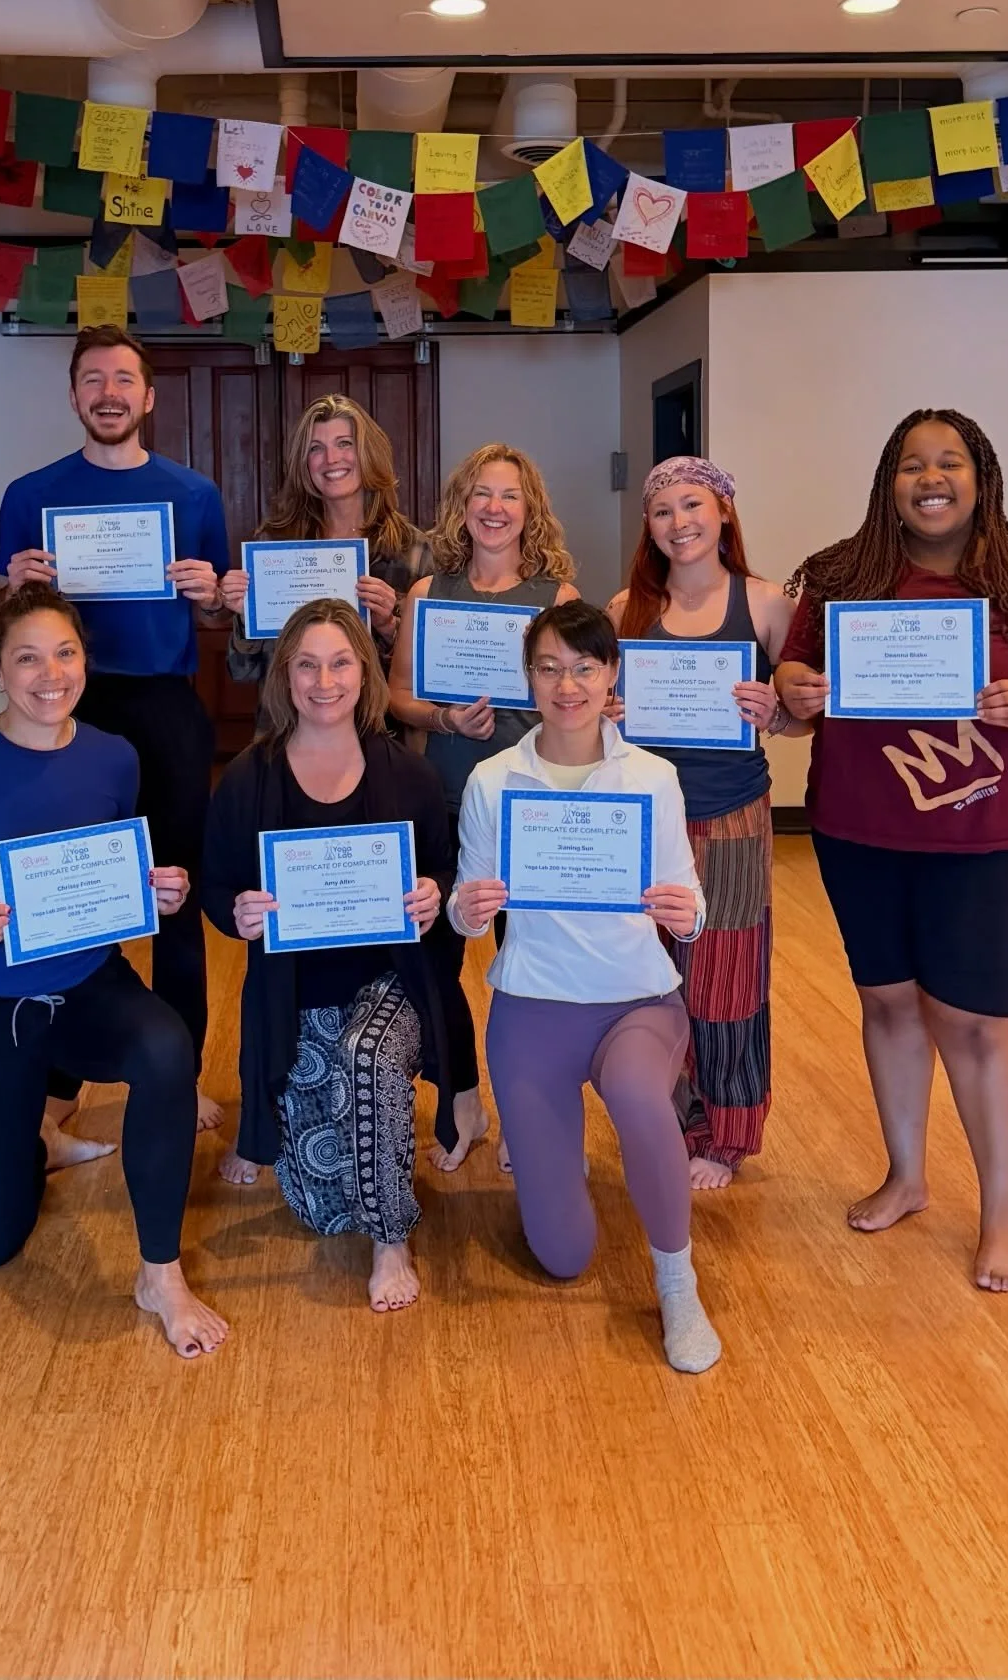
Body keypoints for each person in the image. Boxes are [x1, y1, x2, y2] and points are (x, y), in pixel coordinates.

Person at [774, 408, 1008, 1293]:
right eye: (912, 464)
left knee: (972, 1020)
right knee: (887, 1005)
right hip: (861, 831)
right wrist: (796, 687)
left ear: (981, 476)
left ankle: (1001, 1213)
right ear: (888, 482)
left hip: (990, 836)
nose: (932, 478)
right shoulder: (846, 573)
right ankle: (907, 1175)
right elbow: (792, 676)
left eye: (950, 462)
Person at [0, 583, 226, 1358]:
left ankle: (159, 1273)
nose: (50, 673)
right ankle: (33, 1138)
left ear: (85, 662)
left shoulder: (113, 757)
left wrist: (154, 888)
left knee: (166, 1049)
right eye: (27, 657)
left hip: (89, 987)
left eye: (65, 653)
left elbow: (109, 873)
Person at [450, 601, 721, 1373]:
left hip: (636, 999)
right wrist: (466, 909)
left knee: (640, 1098)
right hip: (533, 1007)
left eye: (585, 667)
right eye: (549, 668)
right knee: (564, 1254)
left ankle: (677, 1281)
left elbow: (689, 899)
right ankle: (550, 1167)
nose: (567, 684)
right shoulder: (492, 779)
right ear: (528, 679)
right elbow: (469, 908)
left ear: (611, 676)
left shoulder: (654, 777)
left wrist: (686, 911)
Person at [0, 325, 231, 1132]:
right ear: (73, 396)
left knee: (175, 898)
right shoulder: (29, 496)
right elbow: (3, 621)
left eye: (123, 379)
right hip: (65, 712)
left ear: (147, 396)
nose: (108, 392)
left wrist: (212, 595)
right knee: (68, 895)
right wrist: (13, 584)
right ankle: (57, 1098)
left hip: (164, 709)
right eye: (92, 379)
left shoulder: (194, 495)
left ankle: (183, 1077)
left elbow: (218, 614)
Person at [201, 600, 454, 1311]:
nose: (324, 680)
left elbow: (443, 867)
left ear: (364, 672)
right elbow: (216, 887)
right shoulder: (250, 778)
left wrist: (434, 893)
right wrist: (238, 912)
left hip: (388, 984)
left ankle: (392, 1239)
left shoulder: (407, 775)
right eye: (306, 664)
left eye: (341, 662)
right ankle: (369, 1184)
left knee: (367, 1059)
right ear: (284, 676)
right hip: (295, 996)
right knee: (320, 1209)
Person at [607, 456, 807, 1190]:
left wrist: (776, 712)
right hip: (646, 821)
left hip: (730, 817)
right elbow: (594, 716)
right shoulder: (624, 609)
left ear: (723, 513)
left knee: (723, 979)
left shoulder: (763, 604)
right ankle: (663, 1115)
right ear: (650, 527)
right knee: (649, 974)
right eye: (663, 511)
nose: (679, 522)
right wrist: (606, 717)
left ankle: (724, 1134)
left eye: (694, 505)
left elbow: (801, 716)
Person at [388, 443, 578, 1172]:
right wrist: (441, 721)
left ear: (530, 511)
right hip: (440, 801)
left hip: (527, 813)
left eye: (510, 496)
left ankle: (535, 1111)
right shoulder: (427, 592)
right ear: (461, 507)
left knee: (529, 965)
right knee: (437, 965)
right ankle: (462, 1098)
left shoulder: (557, 600)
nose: (495, 508)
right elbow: (398, 692)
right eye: (481, 495)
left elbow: (574, 702)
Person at [219, 393, 428, 691]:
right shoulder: (276, 546)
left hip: (377, 732)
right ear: (303, 463)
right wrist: (244, 615)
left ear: (369, 452)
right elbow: (242, 672)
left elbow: (432, 677)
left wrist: (389, 627)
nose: (331, 459)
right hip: (287, 728)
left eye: (345, 444)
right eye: (316, 448)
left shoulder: (415, 552)